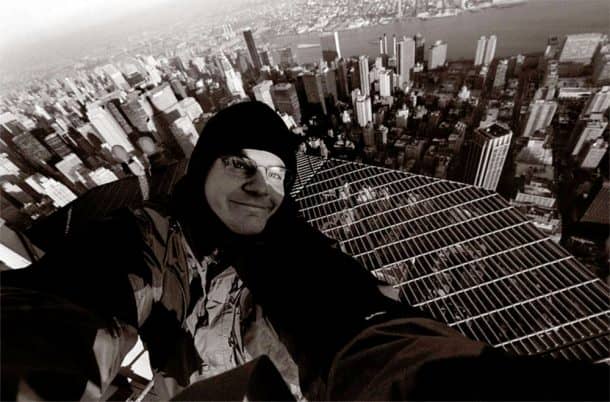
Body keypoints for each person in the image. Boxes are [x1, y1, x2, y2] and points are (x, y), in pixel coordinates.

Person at [1, 101, 607, 401]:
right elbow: (63, 314)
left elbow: (358, 331)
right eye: (238, 163)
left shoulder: (285, 243)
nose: (259, 185)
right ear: (203, 167)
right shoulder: (149, 238)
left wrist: (446, 384)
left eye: (275, 174)